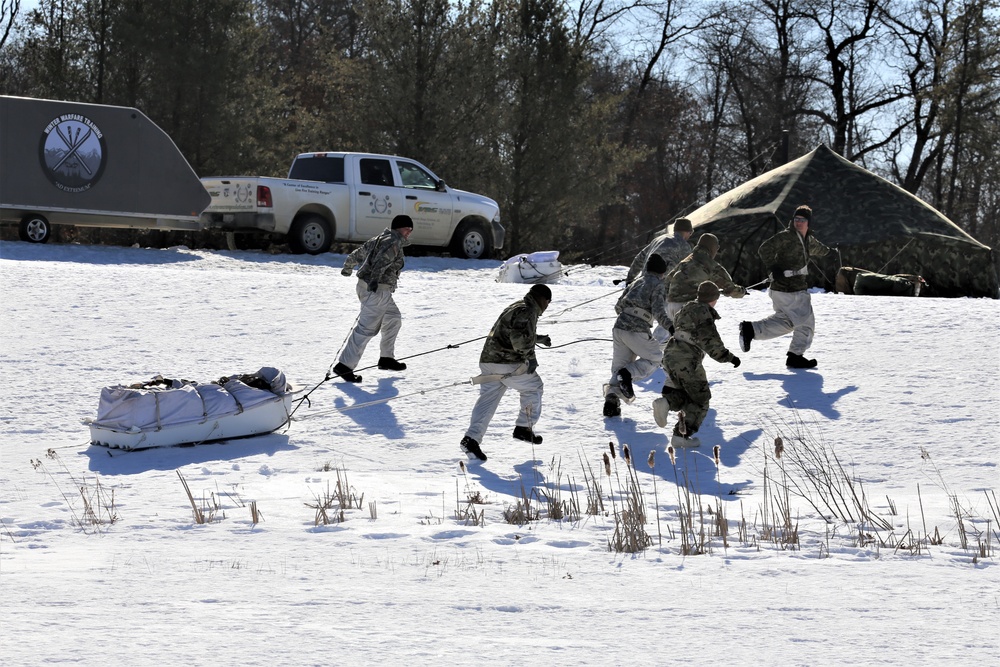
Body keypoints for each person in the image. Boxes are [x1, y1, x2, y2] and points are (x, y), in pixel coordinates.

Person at [460, 284, 552, 462]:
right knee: (534, 387)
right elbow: (518, 340)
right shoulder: (528, 310)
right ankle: (524, 428)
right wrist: (531, 358)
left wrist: (538, 338)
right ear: (542, 299)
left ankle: (471, 439)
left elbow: (514, 333)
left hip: (488, 361)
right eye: (548, 302)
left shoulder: (518, 306)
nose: (547, 306)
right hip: (506, 363)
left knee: (488, 400)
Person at [738, 205, 831, 369]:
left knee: (787, 322)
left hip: (789, 290)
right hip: (789, 289)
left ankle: (751, 330)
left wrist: (832, 253)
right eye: (796, 219)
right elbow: (764, 249)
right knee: (806, 323)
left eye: (802, 220)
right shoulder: (786, 236)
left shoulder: (807, 239)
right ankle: (795, 356)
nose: (798, 222)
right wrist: (773, 267)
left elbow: (821, 250)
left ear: (808, 222)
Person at [654, 281, 740, 448]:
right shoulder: (703, 313)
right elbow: (712, 343)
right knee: (701, 399)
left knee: (687, 395)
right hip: (687, 360)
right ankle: (681, 437)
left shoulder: (686, 308)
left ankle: (667, 403)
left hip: (671, 355)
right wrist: (729, 357)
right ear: (714, 299)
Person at [332, 215, 414, 383]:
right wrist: (375, 281)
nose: (409, 232)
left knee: (393, 318)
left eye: (410, 230)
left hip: (367, 287)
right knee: (366, 328)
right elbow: (381, 263)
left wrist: (348, 266)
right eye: (407, 228)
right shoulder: (393, 242)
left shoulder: (381, 238)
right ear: (398, 228)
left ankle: (386, 358)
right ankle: (344, 366)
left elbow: (360, 252)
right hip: (376, 290)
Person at [604, 254, 670, 418]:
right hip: (638, 330)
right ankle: (628, 374)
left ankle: (611, 402)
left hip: (619, 328)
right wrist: (671, 327)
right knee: (655, 358)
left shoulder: (636, 282)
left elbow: (618, 306)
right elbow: (659, 311)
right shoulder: (658, 285)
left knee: (618, 369)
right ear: (662, 272)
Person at [665, 233, 745, 325]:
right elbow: (730, 288)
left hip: (671, 306)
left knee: (677, 336)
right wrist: (741, 291)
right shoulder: (710, 264)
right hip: (689, 308)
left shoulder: (685, 261)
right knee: (700, 337)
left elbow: (668, 280)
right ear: (712, 248)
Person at [626, 217, 694, 285]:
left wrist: (630, 279)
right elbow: (687, 270)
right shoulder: (684, 246)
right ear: (687, 232)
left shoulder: (658, 239)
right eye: (690, 233)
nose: (690, 236)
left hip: (644, 284)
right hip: (661, 288)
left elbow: (639, 258)